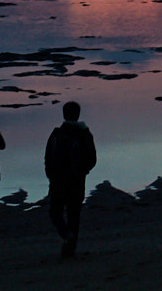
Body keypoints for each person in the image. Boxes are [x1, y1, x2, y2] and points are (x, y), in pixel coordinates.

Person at [44, 101, 96, 259]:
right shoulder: (85, 134)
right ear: (78, 114)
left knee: (55, 212)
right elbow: (92, 159)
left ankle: (67, 238)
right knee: (74, 215)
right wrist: (82, 172)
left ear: (64, 114)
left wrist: (51, 174)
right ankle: (70, 247)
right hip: (76, 182)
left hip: (58, 181)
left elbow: (47, 157)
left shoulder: (56, 134)